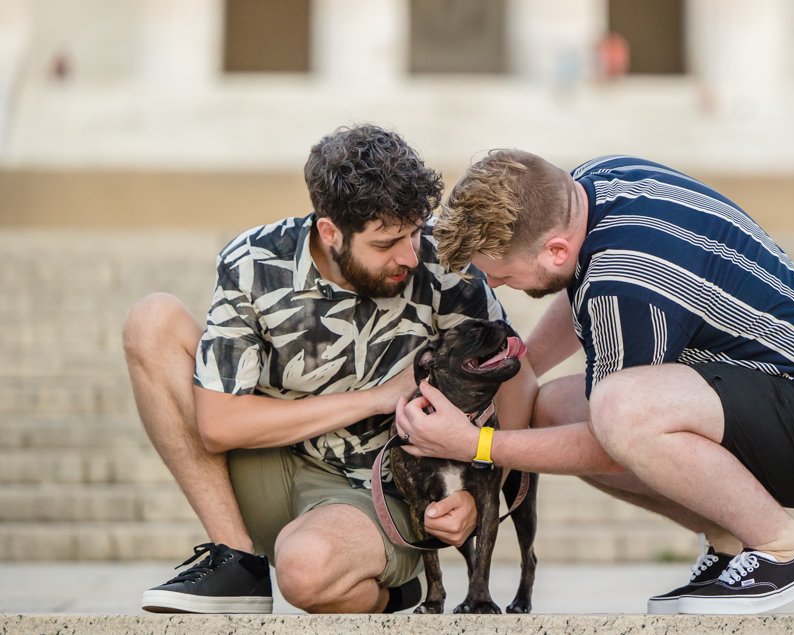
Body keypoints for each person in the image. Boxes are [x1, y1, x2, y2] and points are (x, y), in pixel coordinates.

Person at [395, 151, 794, 615]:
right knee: (558, 408)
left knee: (620, 409)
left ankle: (784, 550)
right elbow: (581, 288)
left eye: (503, 276)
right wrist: (519, 364)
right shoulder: (595, 185)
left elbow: (615, 442)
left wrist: (477, 445)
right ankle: (729, 542)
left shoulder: (623, 285)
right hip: (784, 395)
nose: (501, 287)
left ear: (554, 248)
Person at [122, 125, 534, 614]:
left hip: (382, 490)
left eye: (415, 233)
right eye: (386, 243)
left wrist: (475, 488)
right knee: (153, 321)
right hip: (264, 464)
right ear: (330, 232)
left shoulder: (444, 269)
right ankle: (237, 562)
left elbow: (517, 377)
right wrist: (376, 397)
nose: (409, 255)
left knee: (308, 572)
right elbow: (216, 425)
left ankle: (393, 585)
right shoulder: (255, 262)